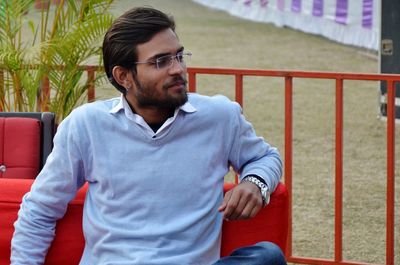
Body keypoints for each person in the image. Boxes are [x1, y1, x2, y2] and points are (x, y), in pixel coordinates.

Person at [11, 6, 287, 265]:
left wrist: (254, 183)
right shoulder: (86, 125)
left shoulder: (219, 116)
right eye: (160, 61)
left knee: (267, 256)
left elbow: (266, 157)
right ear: (123, 76)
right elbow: (40, 210)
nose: (178, 68)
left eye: (179, 56)